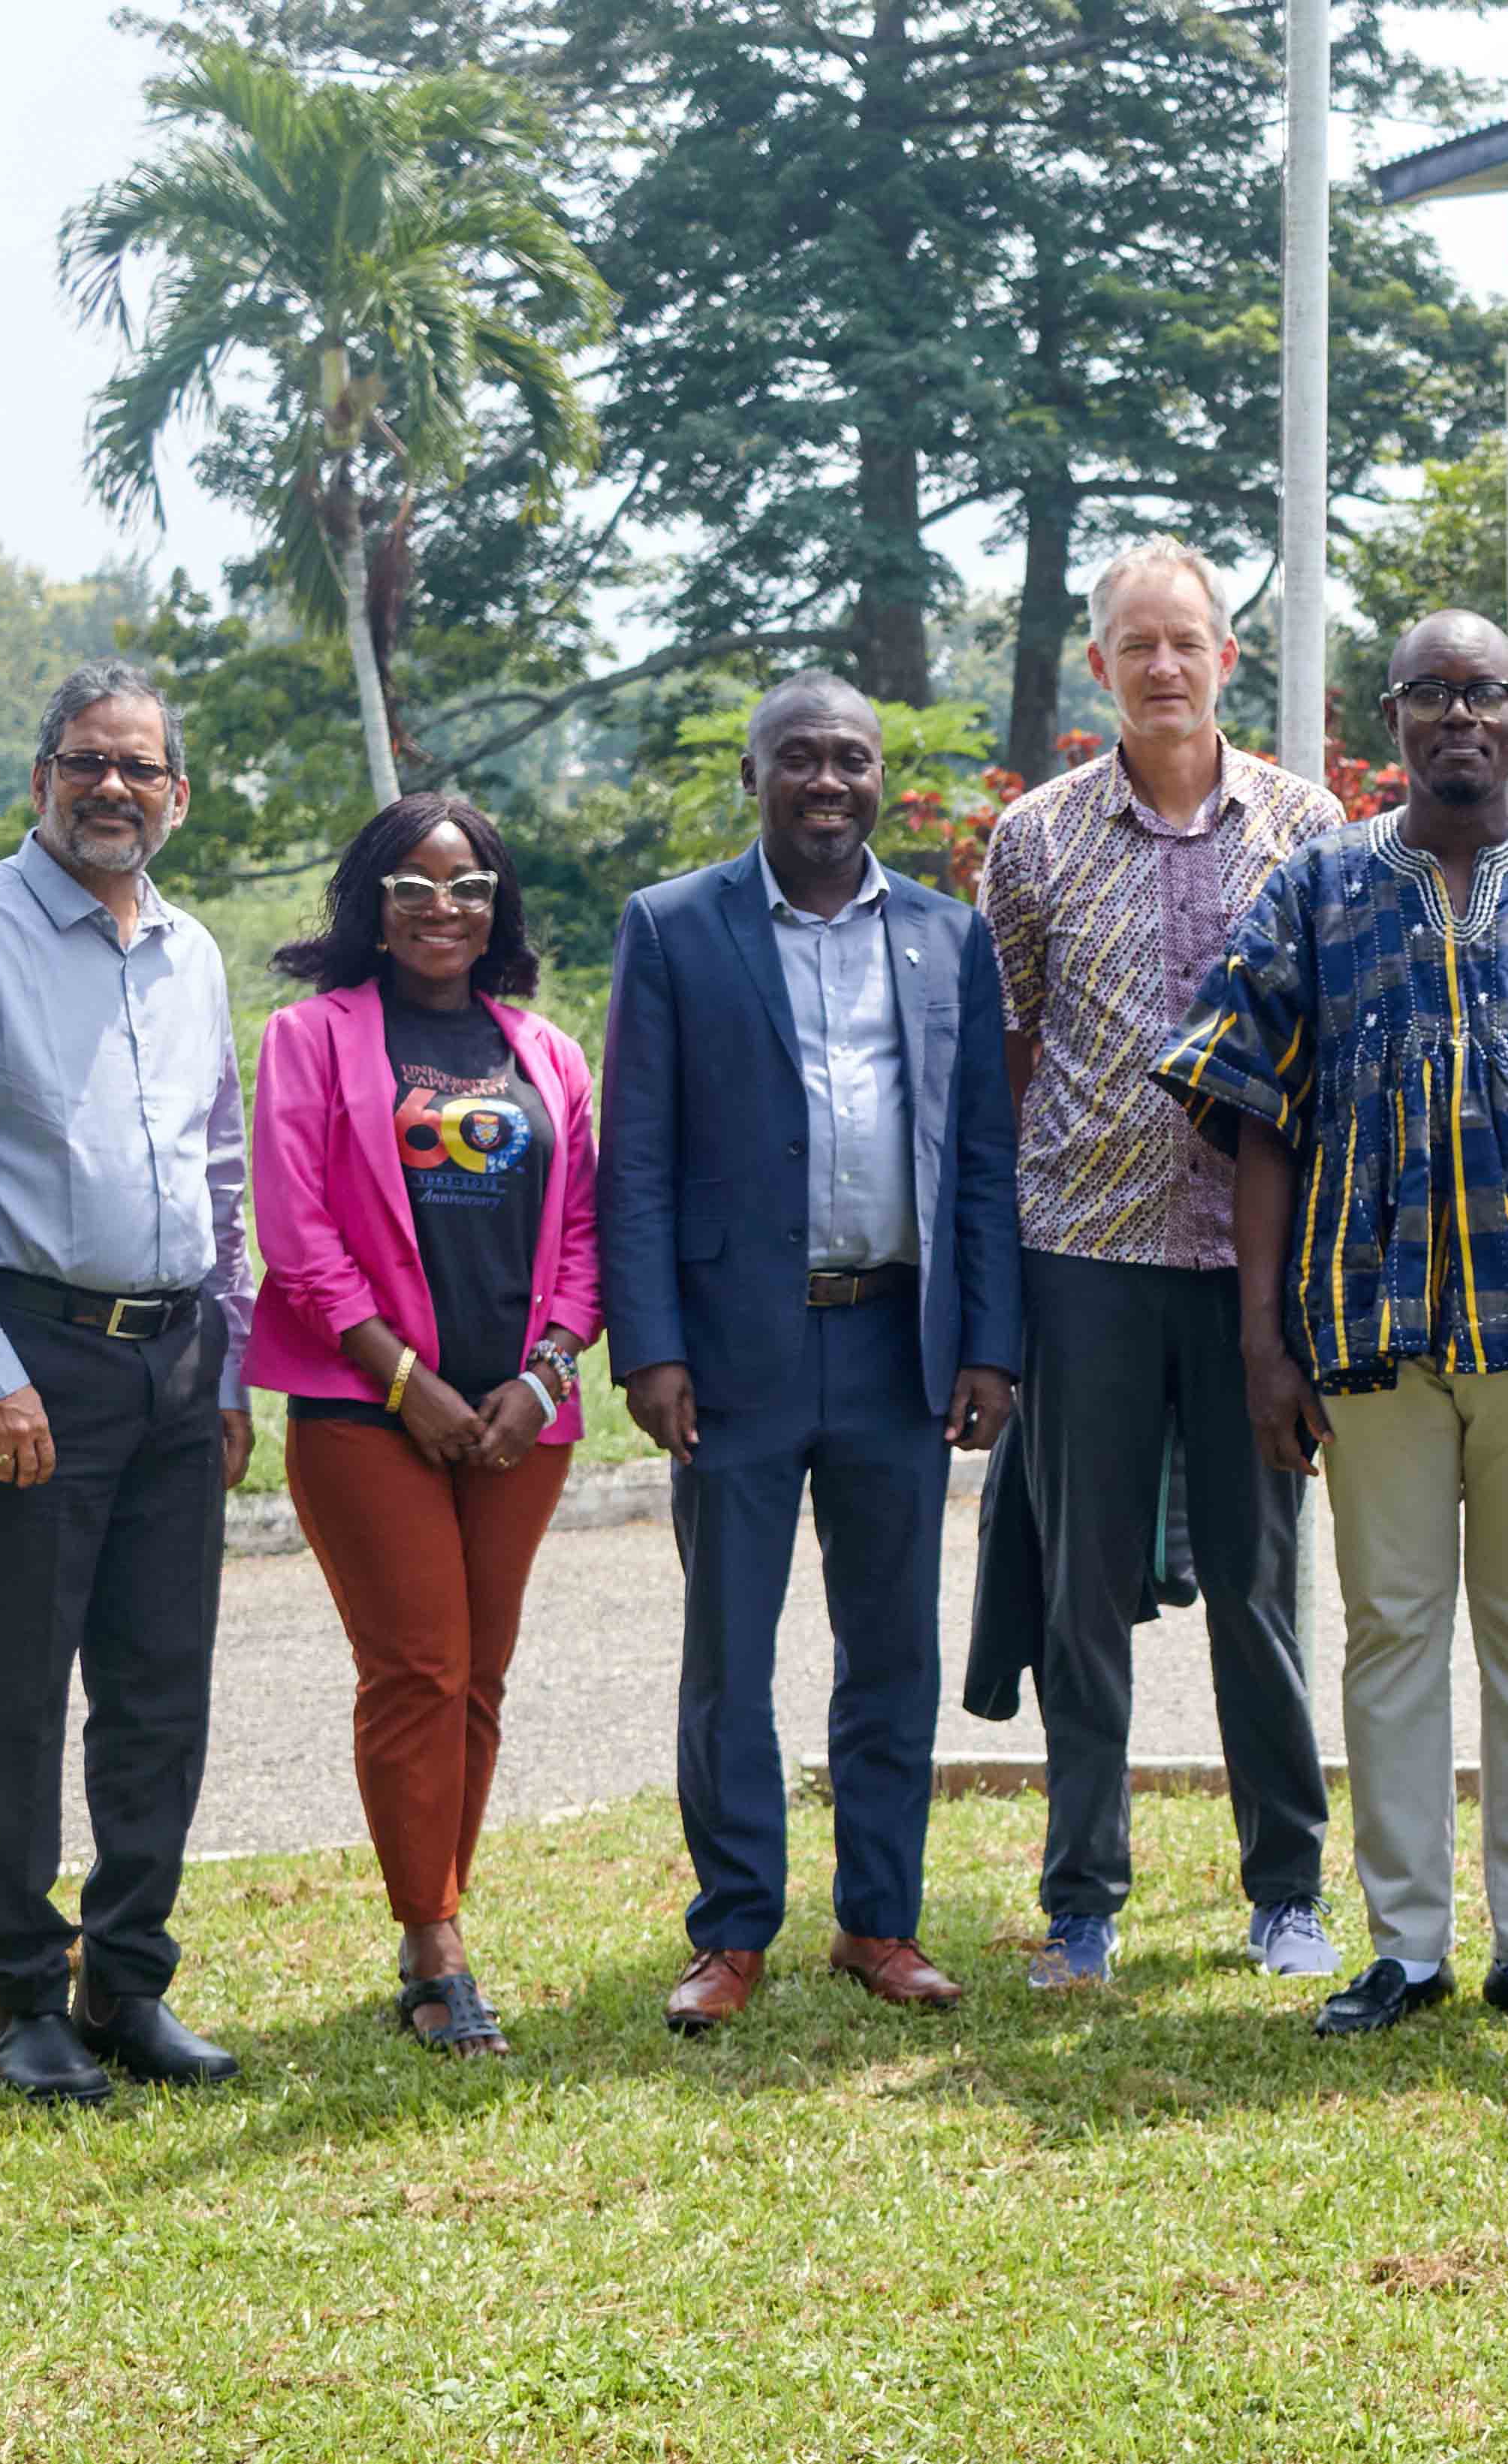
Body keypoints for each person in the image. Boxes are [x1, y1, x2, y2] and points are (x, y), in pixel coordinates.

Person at [1157, 611, 1508, 2041]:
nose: (1458, 717)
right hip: (1369, 1333)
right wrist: (1262, 1342)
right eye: (1430, 696)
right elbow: (1260, 1126)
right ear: (1389, 720)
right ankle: (1405, 1943)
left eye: (1484, 694)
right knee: (1390, 1632)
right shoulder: (1320, 885)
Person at [0, 659, 255, 2104]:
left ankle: (129, 1980)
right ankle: (23, 1994)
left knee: (161, 1687)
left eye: (141, 768)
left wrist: (233, 1364)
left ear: (178, 796)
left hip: (176, 1358)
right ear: (41, 780)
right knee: (14, 1690)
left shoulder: (194, 952)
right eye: (87, 762)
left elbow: (220, 1163)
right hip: (30, 1358)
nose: (113, 789)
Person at [602, 671, 1021, 2034]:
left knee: (892, 1645)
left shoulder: (950, 937)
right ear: (755, 773)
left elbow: (978, 1159)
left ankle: (880, 1923)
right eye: (801, 759)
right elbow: (640, 1158)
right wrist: (650, 1345)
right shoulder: (672, 929)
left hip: (901, 1343)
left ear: (881, 779)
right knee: (730, 1647)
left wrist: (991, 1345)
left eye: (851, 758)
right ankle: (731, 1932)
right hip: (733, 1355)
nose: (827, 782)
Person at [960, 538, 1343, 1992]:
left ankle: (1287, 1892)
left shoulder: (1306, 830)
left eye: (1189, 641)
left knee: (1258, 1584)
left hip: (1257, 1275)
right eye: (1138, 644)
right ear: (1101, 666)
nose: (1165, 665)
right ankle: (1083, 1902)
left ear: (1225, 659)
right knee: (1083, 1584)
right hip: (1088, 1258)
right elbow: (1009, 1057)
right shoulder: (1036, 839)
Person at [247, 792, 603, 2057]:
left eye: (467, 888)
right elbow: (296, 1237)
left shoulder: (547, 1052)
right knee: (418, 1668)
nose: (442, 909)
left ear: (497, 907)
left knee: (481, 1677)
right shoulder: (310, 1038)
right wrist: (409, 1382)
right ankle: (433, 1946)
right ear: (374, 906)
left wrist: (545, 1376)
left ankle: (434, 1910)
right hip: (366, 1412)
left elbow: (581, 1236)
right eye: (414, 886)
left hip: (519, 1420)